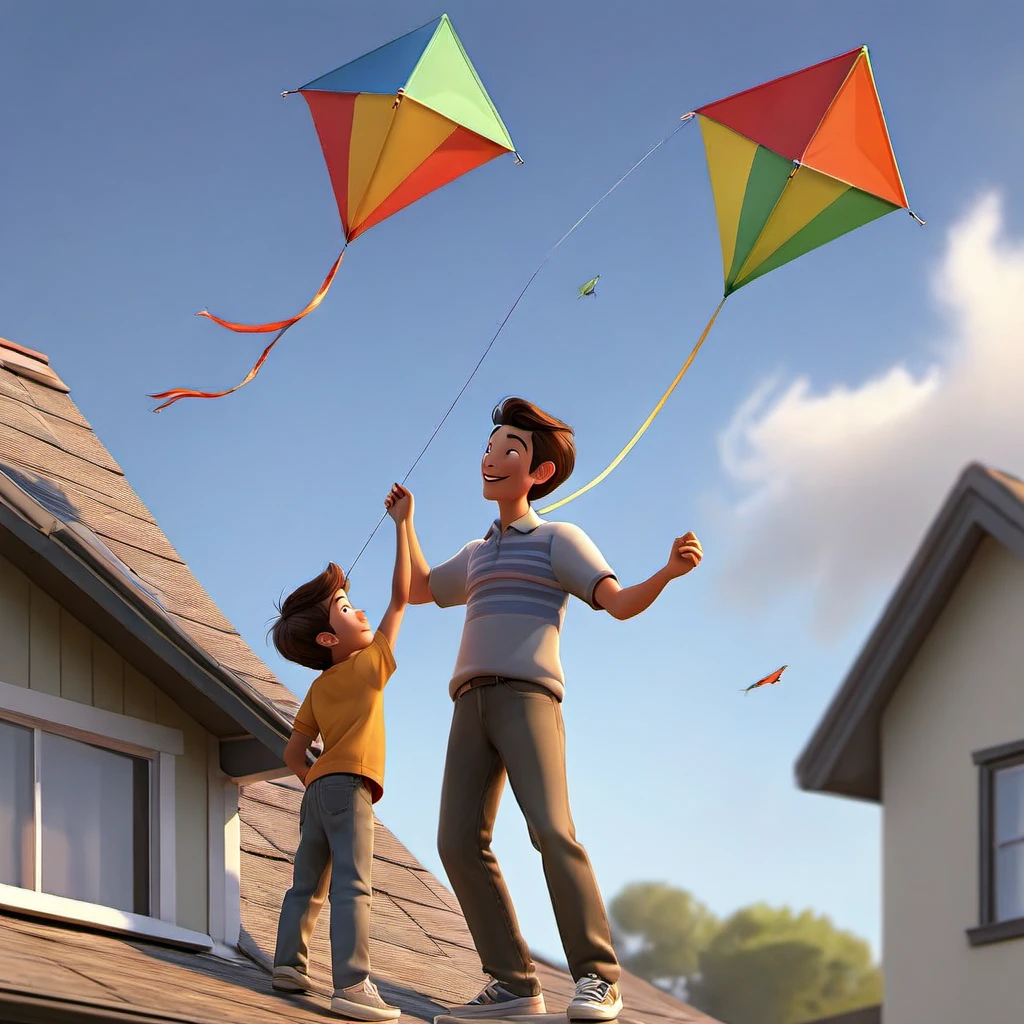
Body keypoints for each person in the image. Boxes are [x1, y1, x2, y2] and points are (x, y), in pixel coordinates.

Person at [403, 396, 704, 1022]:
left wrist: (668, 572)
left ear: (538, 471)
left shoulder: (557, 541)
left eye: (509, 449)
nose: (492, 458)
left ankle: (598, 975)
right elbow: (416, 590)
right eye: (490, 448)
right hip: (469, 704)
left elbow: (616, 604)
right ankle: (514, 985)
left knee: (551, 830)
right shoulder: (478, 553)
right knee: (456, 840)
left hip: (527, 699)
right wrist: (406, 524)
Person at [268, 485, 412, 1022]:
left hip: (318, 792)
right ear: (329, 640)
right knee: (354, 882)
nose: (361, 610)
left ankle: (289, 963)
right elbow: (402, 597)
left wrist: (314, 778)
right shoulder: (369, 665)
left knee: (307, 881)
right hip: (350, 789)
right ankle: (351, 983)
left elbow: (291, 753)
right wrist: (403, 525)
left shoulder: (317, 689)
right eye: (346, 608)